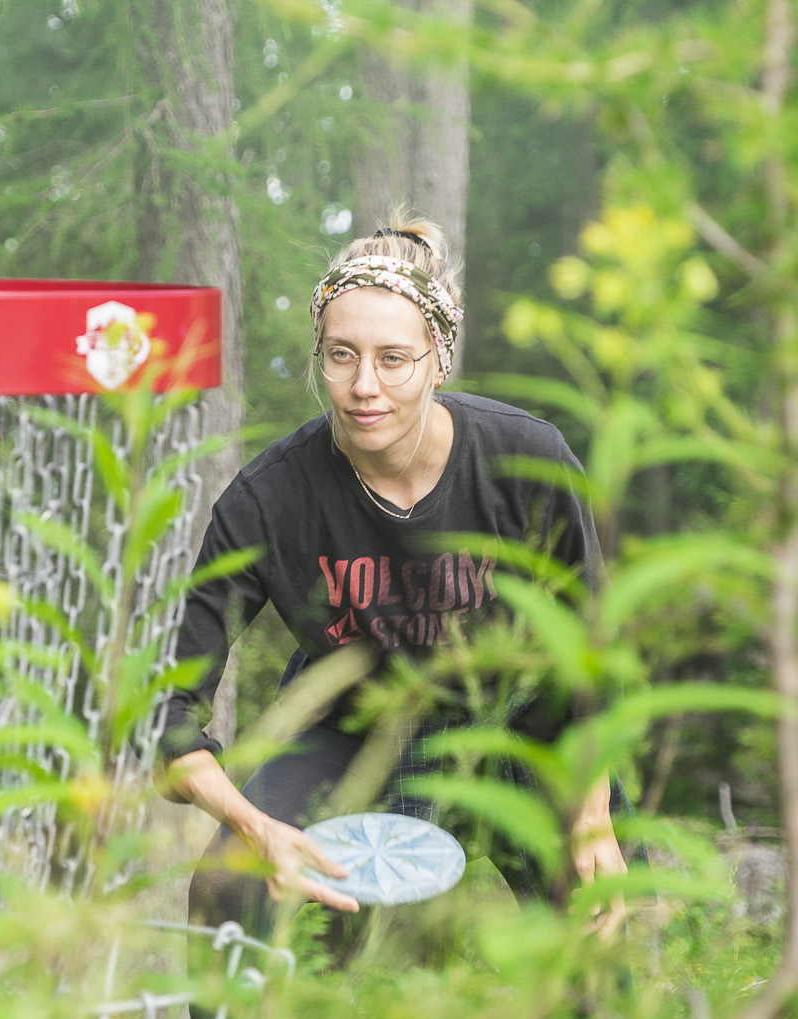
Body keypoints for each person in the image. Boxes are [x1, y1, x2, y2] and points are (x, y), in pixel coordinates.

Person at [157, 214, 628, 956]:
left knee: (584, 928)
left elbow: (591, 654)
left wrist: (592, 814)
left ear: (439, 358)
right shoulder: (269, 499)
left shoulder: (525, 461)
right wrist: (258, 829)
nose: (363, 387)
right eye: (341, 356)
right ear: (319, 354)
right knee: (233, 886)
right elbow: (170, 719)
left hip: (513, 717)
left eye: (394, 358)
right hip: (350, 726)